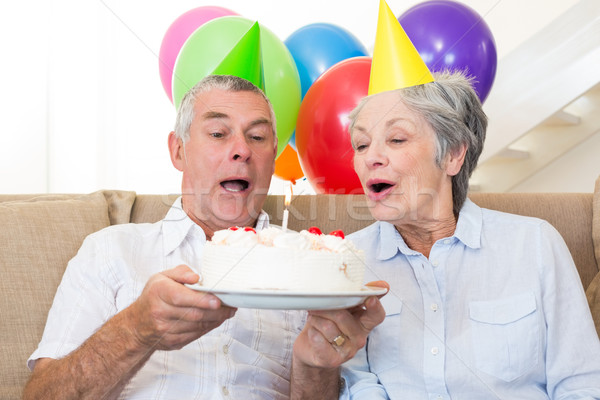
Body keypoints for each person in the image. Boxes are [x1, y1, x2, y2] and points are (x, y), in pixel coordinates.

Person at [23, 74, 386, 399]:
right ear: (178, 150)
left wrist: (315, 367)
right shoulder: (110, 250)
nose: (242, 149)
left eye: (257, 137)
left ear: (273, 156)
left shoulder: (308, 267)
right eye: (218, 133)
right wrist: (136, 329)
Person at [331, 70, 600, 399]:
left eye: (396, 139)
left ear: (453, 155)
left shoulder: (536, 245)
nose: (370, 157)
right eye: (361, 144)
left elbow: (582, 385)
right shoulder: (346, 261)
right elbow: (355, 382)